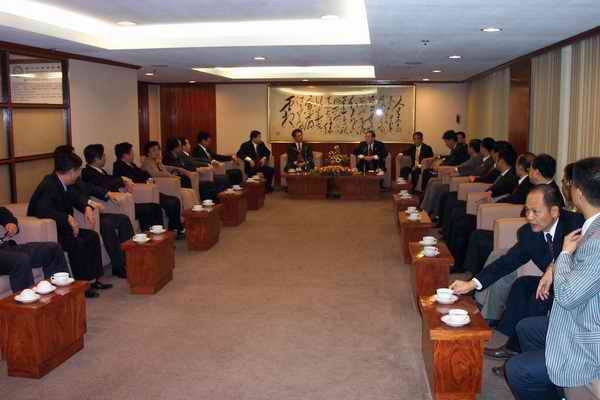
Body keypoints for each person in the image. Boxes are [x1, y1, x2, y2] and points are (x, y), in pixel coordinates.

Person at [450, 185, 584, 366]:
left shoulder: (577, 224)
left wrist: (553, 268)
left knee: (539, 296)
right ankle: (513, 345)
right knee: (523, 284)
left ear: (554, 211)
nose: (529, 217)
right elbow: (507, 262)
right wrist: (471, 284)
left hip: (578, 288)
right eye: (527, 210)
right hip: (552, 284)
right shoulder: (528, 233)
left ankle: (525, 356)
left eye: (535, 211)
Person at [506, 157, 600, 400]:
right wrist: (554, 265)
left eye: (570, 183)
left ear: (579, 193)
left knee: (517, 370)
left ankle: (555, 380)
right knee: (527, 328)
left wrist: (564, 255)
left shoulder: (596, 238)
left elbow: (567, 296)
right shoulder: (591, 227)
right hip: (581, 314)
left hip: (588, 336)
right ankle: (555, 387)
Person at [27, 151, 109, 298]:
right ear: (71, 171)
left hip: (64, 227)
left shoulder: (64, 183)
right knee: (77, 243)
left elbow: (76, 197)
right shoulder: (49, 184)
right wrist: (67, 218)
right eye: (77, 171)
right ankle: (81, 285)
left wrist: (86, 207)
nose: (78, 174)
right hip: (50, 231)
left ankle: (93, 279)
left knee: (92, 236)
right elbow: (41, 210)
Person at [445, 147, 519, 271]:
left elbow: (501, 194)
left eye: (497, 159)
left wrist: (489, 196)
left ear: (502, 161)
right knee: (458, 214)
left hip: (495, 213)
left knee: (464, 224)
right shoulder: (503, 174)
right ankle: (451, 254)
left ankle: (459, 264)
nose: (495, 162)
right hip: (489, 208)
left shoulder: (510, 177)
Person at [462, 153, 536, 276]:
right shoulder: (523, 182)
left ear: (520, 167)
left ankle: (474, 275)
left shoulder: (528, 184)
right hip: (512, 218)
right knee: (476, 233)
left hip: (515, 224)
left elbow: (514, 200)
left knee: (478, 236)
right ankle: (472, 273)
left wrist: (495, 202)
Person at [82, 144, 163, 233]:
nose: (105, 157)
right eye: (103, 155)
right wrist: (122, 179)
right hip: (112, 205)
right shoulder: (88, 172)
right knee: (149, 208)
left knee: (154, 206)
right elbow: (105, 184)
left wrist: (124, 182)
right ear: (97, 158)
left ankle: (156, 233)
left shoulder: (101, 170)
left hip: (121, 202)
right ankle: (152, 234)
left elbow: (111, 179)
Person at [113, 142, 185, 236]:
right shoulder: (119, 166)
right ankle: (164, 232)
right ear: (125, 155)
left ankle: (174, 228)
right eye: (131, 152)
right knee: (167, 203)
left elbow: (144, 174)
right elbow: (134, 179)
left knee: (174, 200)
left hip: (148, 190)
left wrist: (146, 178)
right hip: (141, 194)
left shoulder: (132, 164)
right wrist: (144, 178)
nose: (133, 153)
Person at [0, 207, 69, 293]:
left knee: (52, 249)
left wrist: (10, 222)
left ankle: (60, 295)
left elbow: (2, 212)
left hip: (5, 248)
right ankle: (28, 300)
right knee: (20, 260)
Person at [421, 139, 484, 217]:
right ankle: (425, 208)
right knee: (432, 181)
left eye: (468, 147)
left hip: (461, 182)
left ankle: (430, 211)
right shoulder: (473, 157)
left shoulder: (476, 158)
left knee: (436, 186)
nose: (467, 148)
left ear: (472, 148)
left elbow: (462, 167)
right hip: (458, 177)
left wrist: (452, 171)